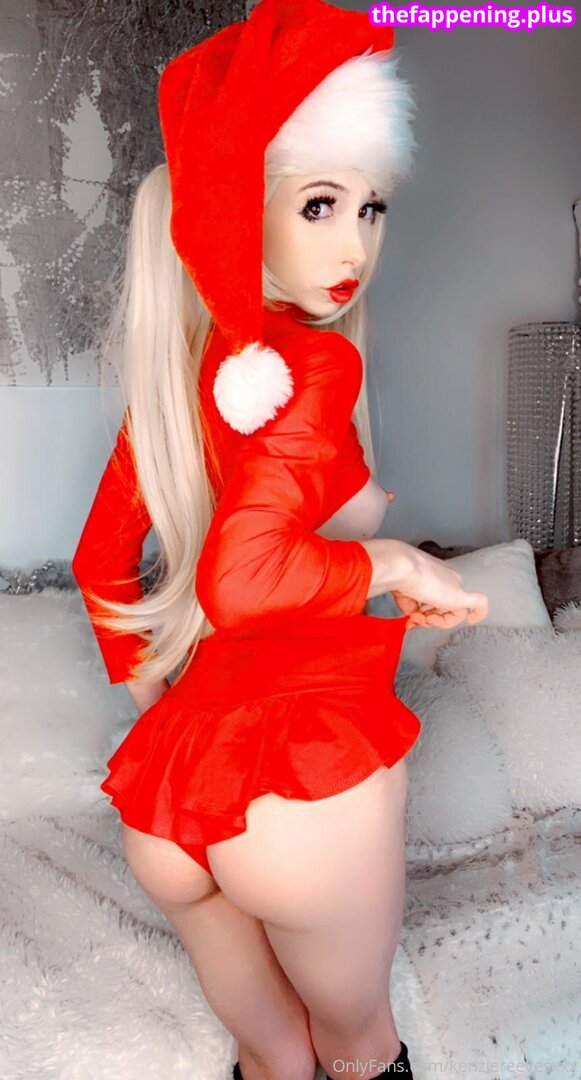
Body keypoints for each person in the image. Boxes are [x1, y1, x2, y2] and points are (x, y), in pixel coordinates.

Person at [72, 2, 488, 1078]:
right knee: (358, 1053)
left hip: (177, 794)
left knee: (270, 1061)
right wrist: (396, 561)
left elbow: (98, 563)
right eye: (317, 204)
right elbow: (244, 577)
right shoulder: (316, 365)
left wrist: (167, 718)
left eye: (369, 206)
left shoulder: (178, 381)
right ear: (234, 206)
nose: (355, 245)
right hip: (303, 783)